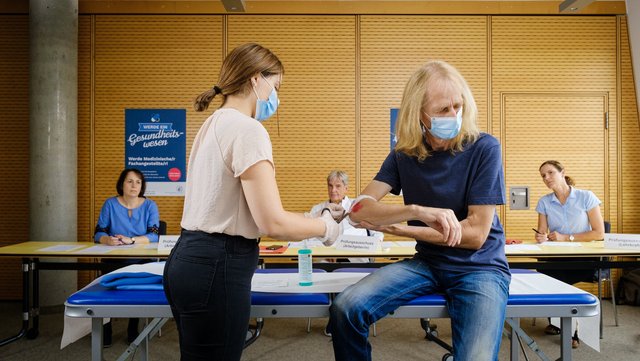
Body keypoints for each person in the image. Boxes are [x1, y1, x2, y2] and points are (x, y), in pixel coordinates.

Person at [162, 43, 341, 361]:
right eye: (276, 86)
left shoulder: (213, 123)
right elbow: (272, 223)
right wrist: (326, 227)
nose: (277, 97)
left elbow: (235, 204)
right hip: (218, 266)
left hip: (188, 260)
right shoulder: (248, 129)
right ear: (256, 79)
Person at [327, 60, 511, 361]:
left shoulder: (484, 148)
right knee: (345, 308)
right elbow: (359, 210)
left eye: (457, 106)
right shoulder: (404, 154)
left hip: (480, 268)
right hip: (428, 262)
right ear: (419, 114)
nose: (454, 115)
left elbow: (475, 235)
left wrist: (401, 229)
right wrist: (416, 210)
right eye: (442, 110)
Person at [534, 160, 605, 348]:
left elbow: (598, 233)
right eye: (543, 175)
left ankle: (570, 329)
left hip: (584, 258)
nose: (546, 178)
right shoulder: (544, 202)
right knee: (547, 273)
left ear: (562, 172)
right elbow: (542, 232)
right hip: (557, 256)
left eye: (550, 173)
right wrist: (541, 236)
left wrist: (566, 237)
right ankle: (561, 322)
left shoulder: (586, 197)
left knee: (557, 279)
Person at [94, 168, 160, 347]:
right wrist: (107, 239)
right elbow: (98, 232)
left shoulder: (149, 205)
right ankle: (106, 331)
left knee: (138, 292)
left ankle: (133, 328)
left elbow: (154, 235)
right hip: (114, 258)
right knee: (106, 291)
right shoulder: (110, 204)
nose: (134, 185)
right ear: (121, 184)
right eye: (130, 181)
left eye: (138, 182)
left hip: (141, 259)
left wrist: (131, 240)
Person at [307, 170, 383, 263]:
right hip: (326, 259)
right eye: (330, 186)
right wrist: (327, 252)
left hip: (358, 257)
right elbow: (309, 238)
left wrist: (374, 245)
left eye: (338, 186)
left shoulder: (359, 206)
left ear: (346, 188)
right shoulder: (317, 209)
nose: (333, 190)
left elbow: (377, 233)